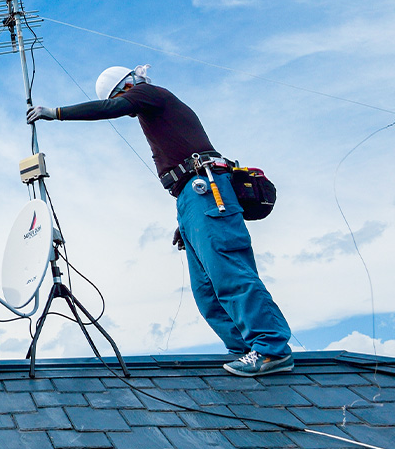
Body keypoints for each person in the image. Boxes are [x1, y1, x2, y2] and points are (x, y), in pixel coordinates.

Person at [27, 65, 293, 377]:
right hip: (192, 198)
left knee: (228, 272)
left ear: (129, 85)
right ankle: (243, 349)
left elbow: (112, 107)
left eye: (122, 95)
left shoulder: (148, 93)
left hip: (207, 190)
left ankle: (270, 349)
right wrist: (187, 220)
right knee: (206, 289)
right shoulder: (151, 109)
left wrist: (54, 112)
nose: (126, 104)